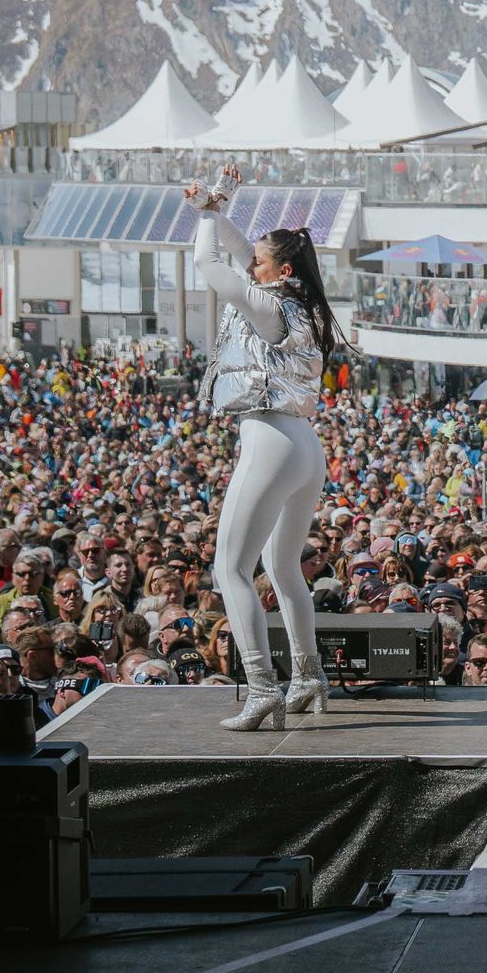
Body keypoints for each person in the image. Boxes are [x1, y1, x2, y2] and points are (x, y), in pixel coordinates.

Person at [181, 175, 351, 731]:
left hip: (270, 442)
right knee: (282, 568)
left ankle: (262, 688)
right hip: (305, 447)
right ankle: (308, 678)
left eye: (258, 262)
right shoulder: (302, 306)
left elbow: (209, 264)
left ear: (280, 272)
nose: (249, 266)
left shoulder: (269, 306)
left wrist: (206, 214)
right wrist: (219, 207)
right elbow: (237, 249)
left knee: (229, 567)